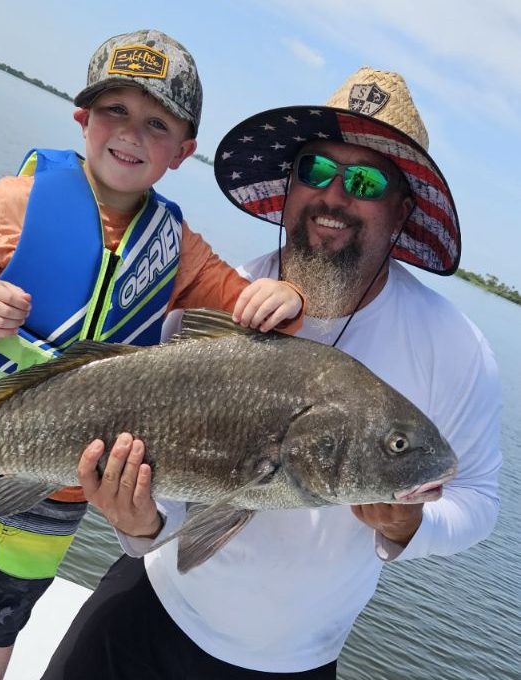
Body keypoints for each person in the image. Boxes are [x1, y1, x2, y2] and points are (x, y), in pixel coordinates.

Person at [0, 30, 305, 680]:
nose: (131, 134)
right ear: (82, 116)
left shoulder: (179, 248)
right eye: (115, 110)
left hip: (64, 486)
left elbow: (243, 308)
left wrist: (278, 296)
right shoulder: (14, 202)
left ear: (182, 150)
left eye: (156, 122)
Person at [40, 67, 502, 679]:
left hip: (294, 661)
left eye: (363, 180)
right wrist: (140, 522)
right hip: (149, 606)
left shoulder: (456, 349)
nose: (333, 195)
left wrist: (413, 524)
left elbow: (477, 499)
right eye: (315, 171)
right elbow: (169, 496)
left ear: (401, 212)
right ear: (291, 186)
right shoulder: (219, 298)